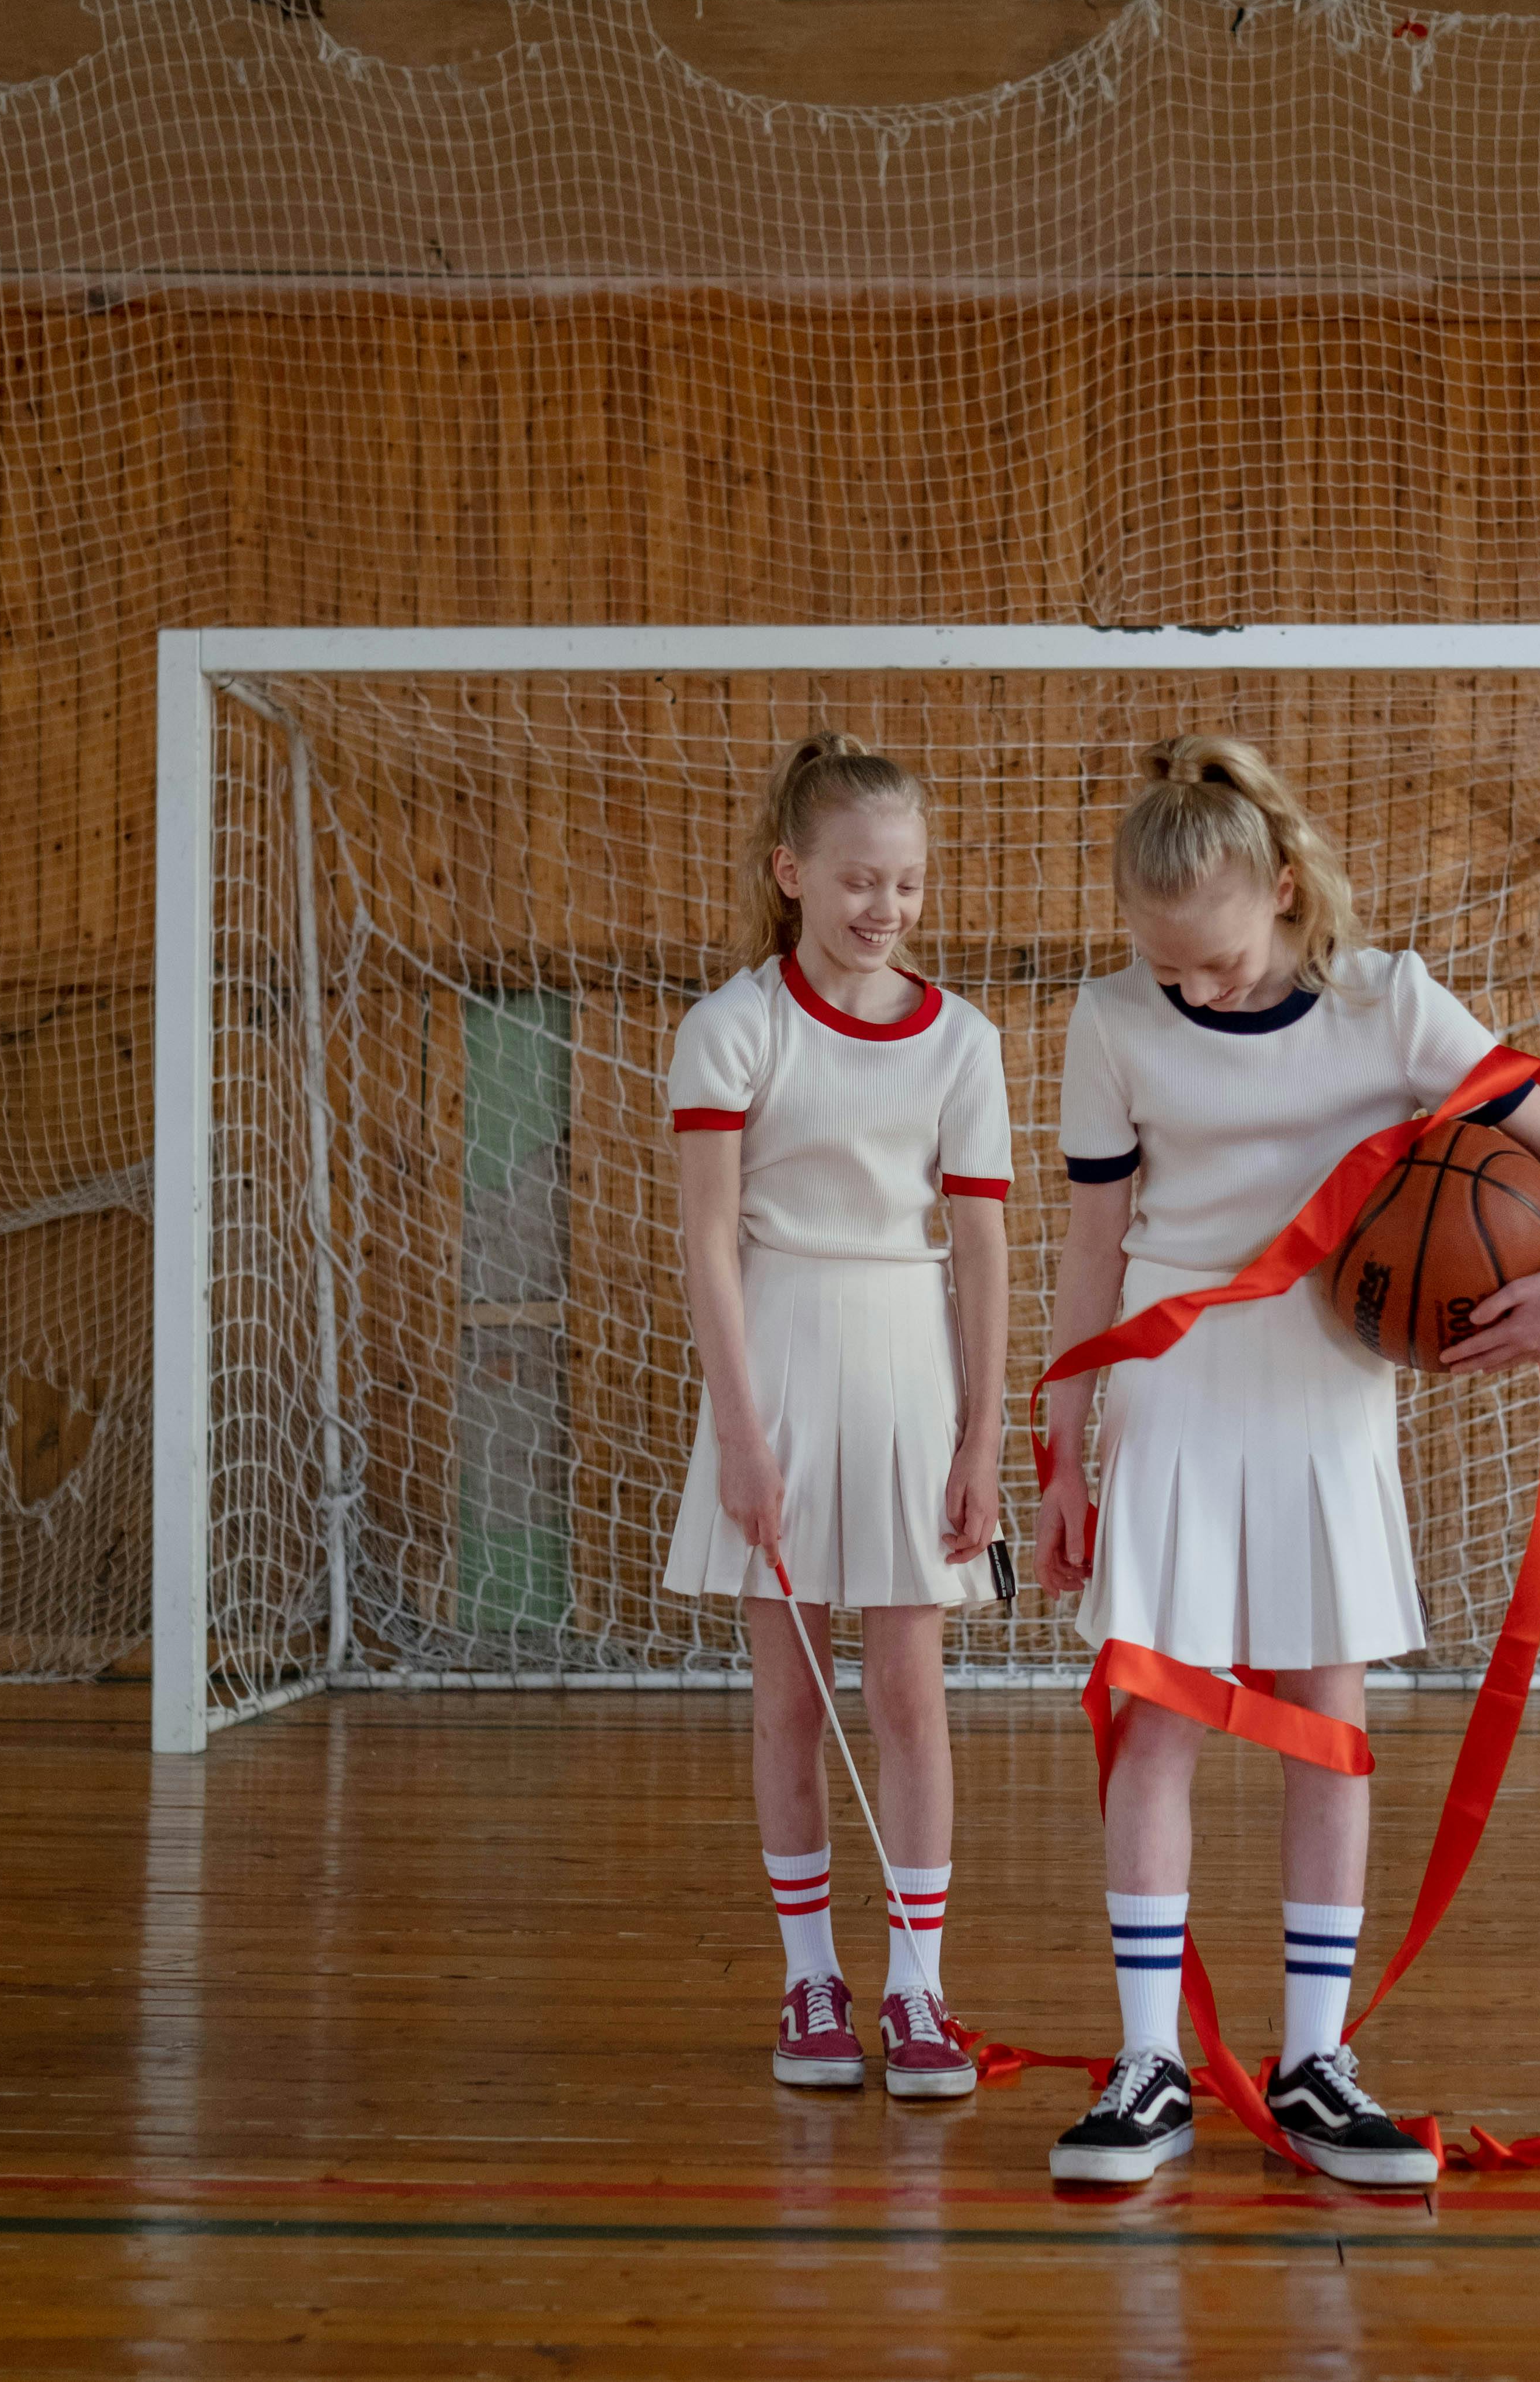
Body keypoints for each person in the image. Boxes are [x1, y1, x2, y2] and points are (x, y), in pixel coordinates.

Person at [1035, 733, 1540, 2185]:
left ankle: (1313, 2063)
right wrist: (1057, 1448)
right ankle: (1149, 2062)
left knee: (1325, 1714)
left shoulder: (1390, 1001)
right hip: (1169, 1385)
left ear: (1284, 889)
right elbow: (1093, 1248)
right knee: (1156, 1719)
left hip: (1329, 1391)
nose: (1191, 989)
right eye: (1165, 965)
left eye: (1217, 963)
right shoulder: (1110, 1022)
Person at [661, 731, 1011, 2102]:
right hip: (776, 1365)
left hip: (908, 1367)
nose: (885, 908)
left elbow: (979, 1254)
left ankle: (919, 1991)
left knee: (910, 1696)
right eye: (861, 879)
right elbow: (704, 1245)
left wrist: (981, 1436)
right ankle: (810, 1978)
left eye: (910, 884)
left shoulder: (964, 1040)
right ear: (790, 872)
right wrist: (741, 1435)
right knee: (789, 1704)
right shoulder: (729, 1025)